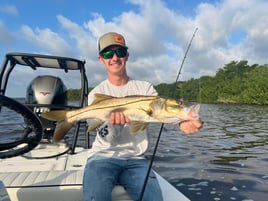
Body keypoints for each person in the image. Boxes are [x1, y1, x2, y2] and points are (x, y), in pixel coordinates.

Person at [83, 32, 203, 201]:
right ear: (101, 59)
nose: (115, 58)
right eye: (108, 54)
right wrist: (114, 126)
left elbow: (160, 115)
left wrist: (182, 122)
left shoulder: (146, 89)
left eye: (120, 52)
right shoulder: (97, 95)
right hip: (103, 156)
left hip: (136, 160)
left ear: (127, 56)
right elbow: (103, 137)